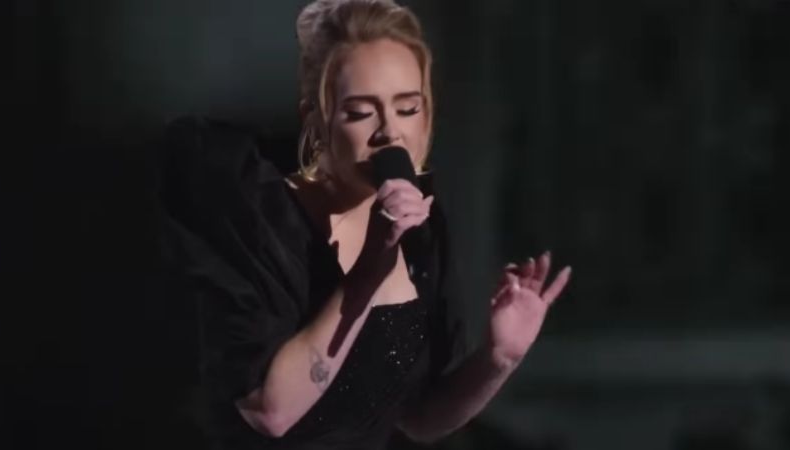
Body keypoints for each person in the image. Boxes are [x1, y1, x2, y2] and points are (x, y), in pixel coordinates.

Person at [159, 0, 572, 448]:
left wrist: (498, 358)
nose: (390, 132)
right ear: (317, 120)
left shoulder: (422, 230)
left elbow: (419, 419)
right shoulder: (259, 220)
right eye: (360, 112)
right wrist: (370, 270)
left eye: (408, 109)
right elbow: (269, 412)